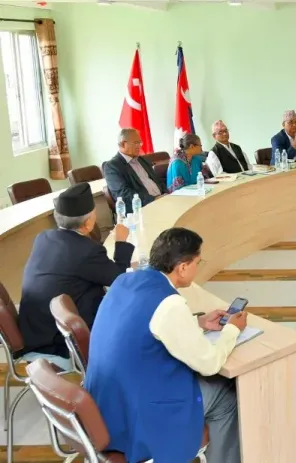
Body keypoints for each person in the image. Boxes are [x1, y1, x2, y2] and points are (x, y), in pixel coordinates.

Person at [85, 228, 248, 463]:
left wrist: (197, 322)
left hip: (107, 401)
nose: (197, 268)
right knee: (226, 396)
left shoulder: (124, 280)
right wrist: (232, 330)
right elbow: (209, 363)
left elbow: (144, 327)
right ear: (182, 267)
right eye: (197, 262)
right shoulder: (169, 303)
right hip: (138, 413)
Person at [17, 184, 133, 370]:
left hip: (36, 328)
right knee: (130, 309)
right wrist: (121, 242)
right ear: (88, 224)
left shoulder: (43, 237)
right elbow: (119, 279)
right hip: (61, 337)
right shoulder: (87, 251)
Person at [103, 128, 167, 214]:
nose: (139, 146)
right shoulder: (112, 166)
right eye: (136, 143)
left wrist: (166, 194)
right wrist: (153, 199)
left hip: (161, 201)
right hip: (141, 209)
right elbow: (123, 194)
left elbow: (157, 181)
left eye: (140, 143)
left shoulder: (142, 160)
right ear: (123, 144)